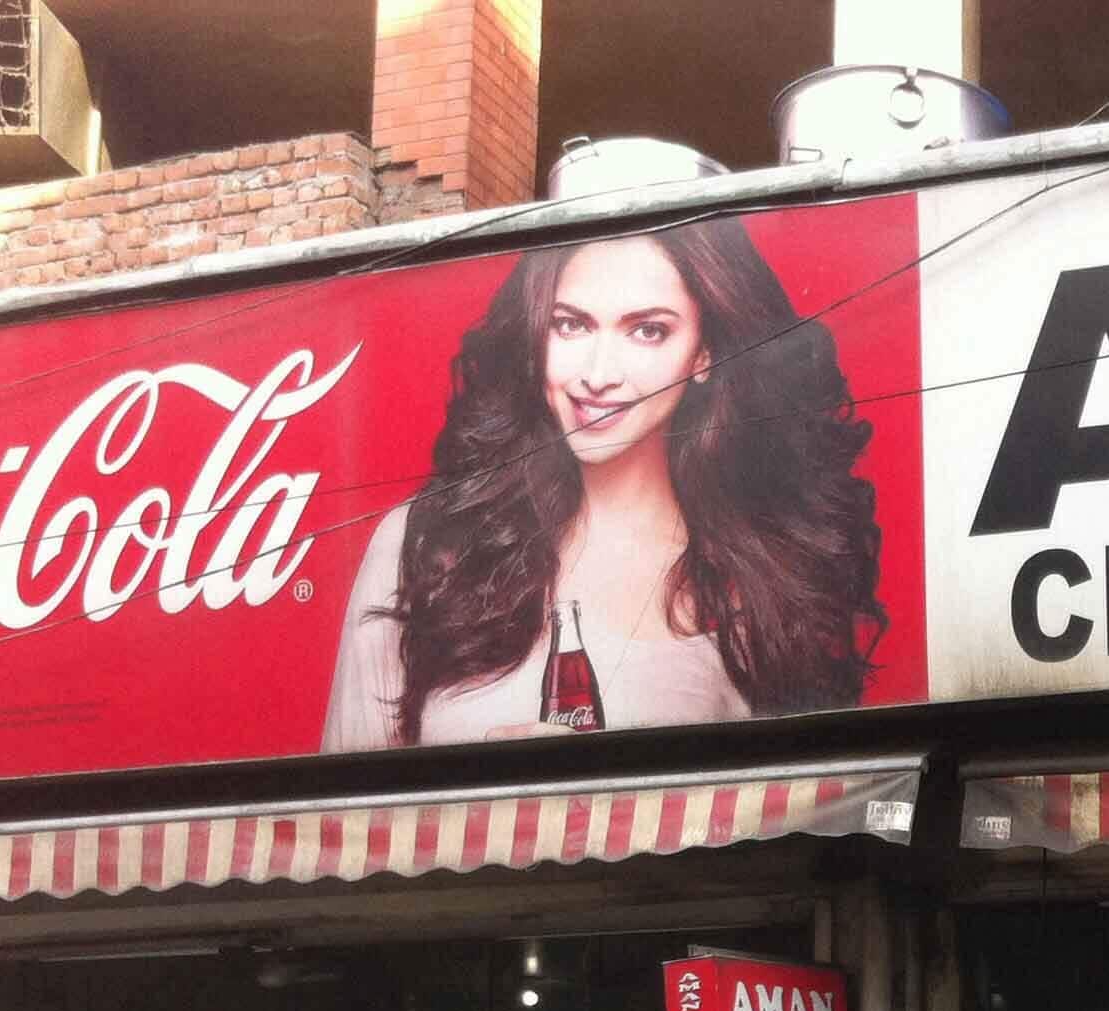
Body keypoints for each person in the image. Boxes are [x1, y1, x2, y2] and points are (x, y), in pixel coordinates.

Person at [322, 218, 885, 750]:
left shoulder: (754, 586)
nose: (597, 374)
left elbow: (793, 827)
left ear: (704, 355)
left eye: (648, 331)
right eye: (570, 324)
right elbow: (340, 830)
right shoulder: (423, 544)